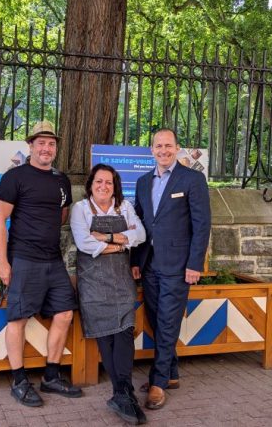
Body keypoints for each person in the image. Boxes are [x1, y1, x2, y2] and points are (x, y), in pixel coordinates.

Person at [0, 120, 83, 407]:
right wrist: (3, 263)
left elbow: (62, 216)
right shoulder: (14, 177)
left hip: (53, 260)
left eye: (51, 143)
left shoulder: (61, 180)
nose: (46, 148)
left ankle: (51, 376)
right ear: (31, 145)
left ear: (56, 148)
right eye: (41, 142)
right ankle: (19, 380)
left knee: (65, 313)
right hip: (24, 260)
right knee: (17, 319)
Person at [130, 128, 211, 410]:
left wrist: (194, 264)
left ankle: (158, 382)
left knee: (167, 321)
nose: (163, 150)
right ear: (151, 150)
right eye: (158, 146)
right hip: (149, 264)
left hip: (178, 267)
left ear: (177, 148)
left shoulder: (192, 179)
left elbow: (202, 225)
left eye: (168, 145)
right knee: (156, 318)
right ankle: (172, 373)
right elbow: (138, 225)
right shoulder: (142, 182)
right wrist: (135, 262)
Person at [70, 164, 147, 425]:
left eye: (109, 183)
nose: (104, 187)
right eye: (99, 182)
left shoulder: (124, 207)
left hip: (121, 281)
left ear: (115, 186)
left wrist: (108, 236)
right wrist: (120, 244)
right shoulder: (80, 210)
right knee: (106, 337)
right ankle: (122, 393)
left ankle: (122, 392)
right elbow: (84, 242)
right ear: (91, 184)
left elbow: (140, 234)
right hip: (93, 283)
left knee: (125, 331)